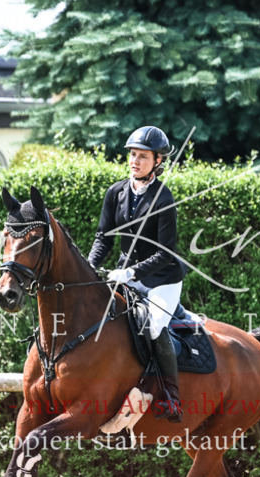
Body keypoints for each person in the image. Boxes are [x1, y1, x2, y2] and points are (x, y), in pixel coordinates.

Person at [87, 125, 187, 422]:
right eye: (132, 155)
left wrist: (131, 272)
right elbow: (103, 236)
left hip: (162, 279)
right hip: (123, 274)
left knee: (154, 326)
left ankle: (171, 396)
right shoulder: (115, 191)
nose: (135, 161)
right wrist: (91, 266)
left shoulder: (163, 198)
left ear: (157, 161)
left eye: (143, 156)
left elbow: (164, 253)